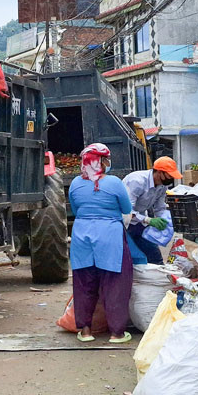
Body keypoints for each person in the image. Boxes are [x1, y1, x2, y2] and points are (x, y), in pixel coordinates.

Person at [68, 143, 134, 344]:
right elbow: (126, 208)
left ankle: (86, 331)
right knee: (115, 284)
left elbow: (75, 208)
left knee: (84, 284)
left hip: (81, 237)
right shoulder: (114, 183)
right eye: (107, 159)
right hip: (110, 238)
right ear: (102, 162)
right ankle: (117, 333)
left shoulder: (75, 184)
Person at [122, 156, 184, 265]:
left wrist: (166, 220)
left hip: (139, 222)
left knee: (154, 256)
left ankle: (159, 278)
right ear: (160, 172)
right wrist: (148, 220)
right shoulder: (137, 181)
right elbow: (126, 211)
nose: (171, 179)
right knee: (129, 257)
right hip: (124, 224)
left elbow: (160, 207)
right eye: (170, 176)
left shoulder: (163, 186)